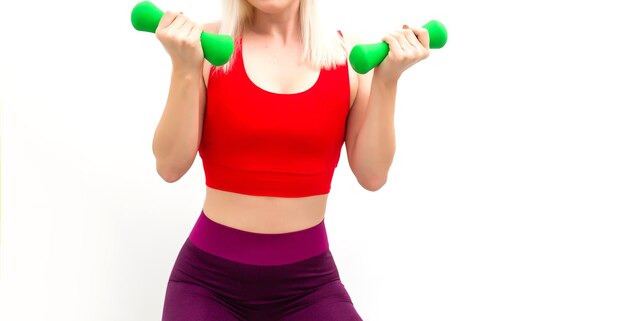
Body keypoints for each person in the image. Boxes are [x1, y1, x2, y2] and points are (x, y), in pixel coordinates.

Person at [151, 0, 430, 320]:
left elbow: (372, 175)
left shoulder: (349, 57)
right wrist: (184, 68)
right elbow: (169, 166)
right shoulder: (205, 45)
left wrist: (387, 80)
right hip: (207, 285)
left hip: (308, 288)